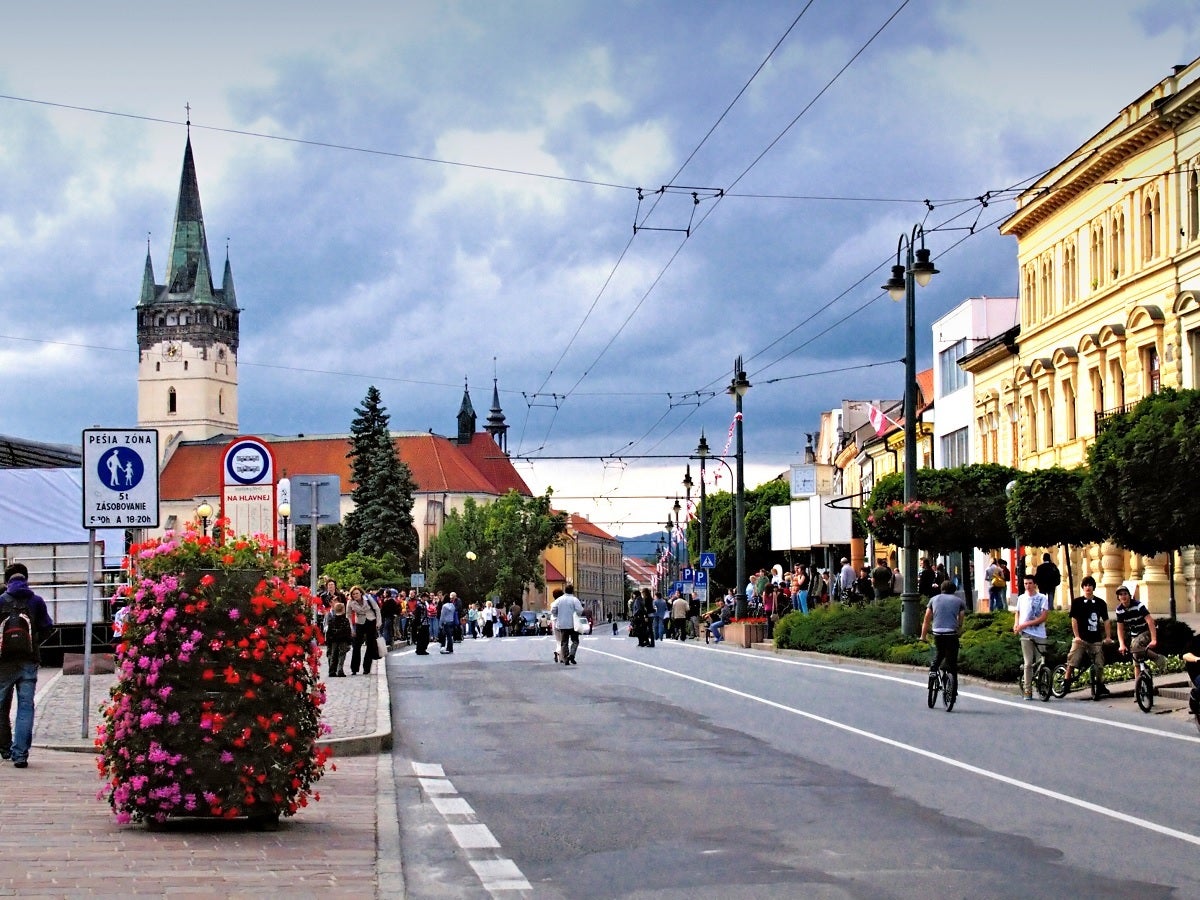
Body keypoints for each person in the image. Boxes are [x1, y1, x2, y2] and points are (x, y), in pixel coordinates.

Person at [0, 563, 54, 769]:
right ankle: (20, 754)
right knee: (25, 707)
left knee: (1, 706)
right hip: (28, 662)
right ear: (26, 579)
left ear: (6, 582)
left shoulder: (0, 601)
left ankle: (5, 748)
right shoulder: (36, 601)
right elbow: (47, 627)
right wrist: (34, 644)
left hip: (3, 663)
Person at [1063, 575, 1112, 698]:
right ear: (1083, 588)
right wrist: (1077, 636)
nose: (1088, 587)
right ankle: (1066, 682)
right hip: (1081, 638)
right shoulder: (1077, 602)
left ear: (1093, 587)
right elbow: (1074, 620)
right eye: (1085, 585)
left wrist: (1108, 637)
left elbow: (1106, 621)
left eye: (1090, 585)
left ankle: (1100, 685)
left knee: (1099, 663)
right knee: (1073, 660)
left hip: (1095, 639)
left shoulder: (1100, 603)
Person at [920, 579, 967, 679]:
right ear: (954, 590)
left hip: (937, 632)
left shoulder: (933, 599)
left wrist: (923, 636)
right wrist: (959, 629)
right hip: (951, 632)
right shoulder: (959, 601)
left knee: (940, 652)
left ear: (941, 589)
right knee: (952, 659)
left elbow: (926, 619)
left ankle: (933, 669)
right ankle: (953, 690)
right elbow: (961, 617)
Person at [1014, 575, 1050, 700]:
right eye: (1025, 583)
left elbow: (1043, 617)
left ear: (1035, 584)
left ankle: (1043, 686)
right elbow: (1017, 613)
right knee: (1028, 662)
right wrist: (1016, 624)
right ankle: (1027, 690)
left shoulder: (1042, 598)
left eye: (1030, 583)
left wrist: (1025, 624)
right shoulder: (1021, 598)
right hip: (1025, 634)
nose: (1027, 586)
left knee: (1042, 661)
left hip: (1039, 633)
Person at [1115, 585, 1163, 671]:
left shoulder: (1138, 605)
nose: (1123, 596)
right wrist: (1121, 644)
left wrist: (1154, 639)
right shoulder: (1119, 610)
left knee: (1135, 647)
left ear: (1129, 595)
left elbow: (1150, 621)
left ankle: (1157, 658)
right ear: (1118, 597)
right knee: (1136, 660)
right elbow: (1119, 628)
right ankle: (1138, 682)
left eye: (1125, 594)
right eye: (1121, 595)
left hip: (1146, 631)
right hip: (1135, 635)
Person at [346, 586, 381, 675]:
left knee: (370, 644)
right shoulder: (350, 602)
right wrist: (351, 628)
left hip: (371, 620)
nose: (355, 595)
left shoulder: (368, 598)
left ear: (361, 593)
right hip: (360, 622)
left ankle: (367, 668)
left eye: (357, 593)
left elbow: (377, 609)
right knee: (356, 645)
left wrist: (378, 622)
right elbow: (348, 615)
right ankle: (354, 668)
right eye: (353, 594)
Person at [551, 583, 583, 665]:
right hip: (573, 624)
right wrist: (576, 614)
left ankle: (565, 658)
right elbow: (580, 610)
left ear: (565, 590)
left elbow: (553, 610)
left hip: (562, 624)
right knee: (575, 641)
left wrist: (557, 615)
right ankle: (572, 654)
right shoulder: (575, 600)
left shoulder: (559, 600)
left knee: (564, 642)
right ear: (572, 591)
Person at [323, 601, 352, 676]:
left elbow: (329, 632)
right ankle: (340, 669)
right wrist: (349, 642)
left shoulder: (331, 620)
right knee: (342, 655)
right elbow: (348, 632)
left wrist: (328, 641)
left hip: (333, 641)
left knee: (333, 655)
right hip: (343, 640)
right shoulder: (345, 620)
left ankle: (332, 671)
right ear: (343, 610)